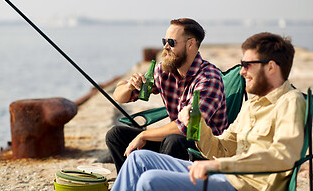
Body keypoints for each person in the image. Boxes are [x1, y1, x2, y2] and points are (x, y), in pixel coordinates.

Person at [111, 32, 306, 191]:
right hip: (226, 174)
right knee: (138, 158)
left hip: (246, 185)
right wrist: (197, 124)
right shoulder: (252, 104)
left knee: (150, 180)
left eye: (247, 65)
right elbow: (222, 149)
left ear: (271, 67)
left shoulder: (291, 101)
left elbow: (282, 156)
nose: (241, 71)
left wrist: (218, 166)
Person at [106, 18, 228, 172]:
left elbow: (188, 126)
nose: (165, 46)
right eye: (164, 40)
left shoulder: (208, 78)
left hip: (204, 149)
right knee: (115, 135)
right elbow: (120, 97)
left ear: (191, 44)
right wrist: (129, 86)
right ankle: (131, 183)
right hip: (176, 142)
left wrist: (144, 136)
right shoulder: (164, 70)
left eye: (171, 42)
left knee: (173, 140)